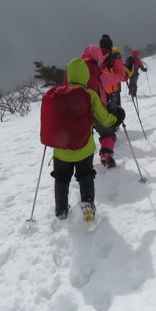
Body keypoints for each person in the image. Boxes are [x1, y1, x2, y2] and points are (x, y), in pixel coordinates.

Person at [51, 57, 125, 221]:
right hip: (83, 147)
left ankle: (61, 209)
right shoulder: (89, 95)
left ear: (69, 75)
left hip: (61, 149)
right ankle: (88, 207)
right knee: (85, 176)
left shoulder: (56, 94)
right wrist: (118, 118)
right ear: (85, 75)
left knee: (61, 178)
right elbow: (104, 120)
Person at [96, 34, 128, 167]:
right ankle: (111, 137)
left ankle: (110, 134)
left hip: (102, 93)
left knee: (104, 118)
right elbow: (122, 75)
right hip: (110, 89)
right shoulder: (111, 57)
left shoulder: (95, 59)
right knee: (112, 115)